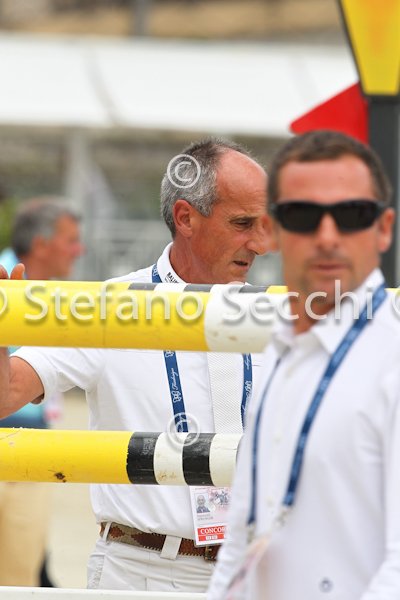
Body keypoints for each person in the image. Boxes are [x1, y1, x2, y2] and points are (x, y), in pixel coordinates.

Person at [0, 138, 271, 592]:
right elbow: (7, 394)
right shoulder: (109, 306)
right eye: (243, 223)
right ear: (185, 218)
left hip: (252, 573)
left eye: (265, 224)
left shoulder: (275, 313)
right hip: (142, 573)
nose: (262, 244)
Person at [208, 130, 400, 600]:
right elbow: (241, 543)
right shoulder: (281, 349)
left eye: (352, 215)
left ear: (383, 228)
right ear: (272, 231)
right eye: (303, 216)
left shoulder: (390, 361)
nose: (328, 237)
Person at [0, 197, 84, 587]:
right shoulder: (9, 282)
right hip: (16, 444)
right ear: (41, 244)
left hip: (32, 450)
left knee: (22, 575)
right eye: (71, 240)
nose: (79, 250)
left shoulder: (55, 294)